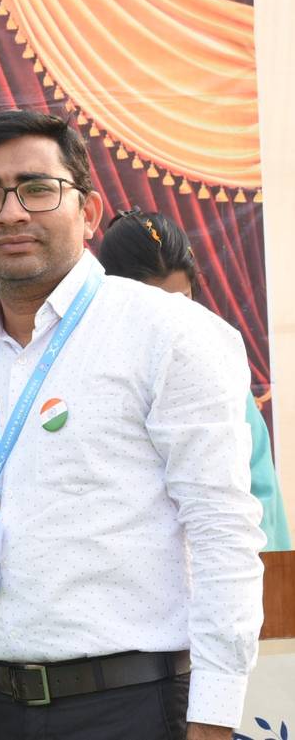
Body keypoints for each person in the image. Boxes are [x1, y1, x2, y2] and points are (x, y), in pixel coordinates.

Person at [0, 110, 265, 740]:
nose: (11, 213)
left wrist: (214, 717)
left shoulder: (169, 333)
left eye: (37, 189)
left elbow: (222, 529)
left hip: (132, 707)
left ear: (89, 211)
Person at [100, 207, 291, 551]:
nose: (176, 320)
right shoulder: (93, 368)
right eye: (157, 305)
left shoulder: (215, 359)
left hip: (226, 563)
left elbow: (256, 491)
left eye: (184, 300)